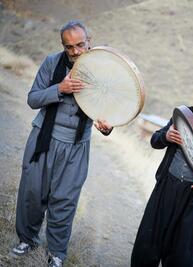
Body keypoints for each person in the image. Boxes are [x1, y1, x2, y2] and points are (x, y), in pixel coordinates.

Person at [11, 20, 113, 267]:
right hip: (43, 139)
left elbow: (109, 115)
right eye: (70, 47)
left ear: (90, 40)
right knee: (32, 192)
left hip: (76, 146)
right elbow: (33, 99)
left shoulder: (104, 73)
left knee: (64, 200)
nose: (76, 51)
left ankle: (56, 253)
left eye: (80, 45)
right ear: (63, 47)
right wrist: (60, 88)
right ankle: (28, 239)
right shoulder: (51, 63)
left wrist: (107, 128)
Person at [131, 72, 193, 267]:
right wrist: (166, 137)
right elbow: (155, 141)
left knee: (181, 253)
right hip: (166, 187)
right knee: (148, 242)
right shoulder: (183, 114)